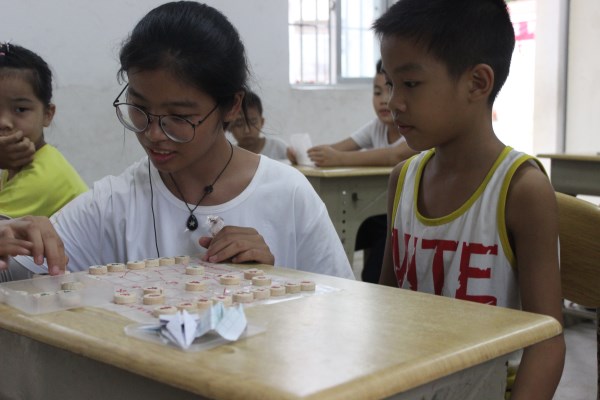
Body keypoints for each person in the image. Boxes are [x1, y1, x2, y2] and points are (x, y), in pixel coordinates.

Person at [9, 2, 353, 281]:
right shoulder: (115, 204)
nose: (154, 134)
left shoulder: (288, 196)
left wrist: (276, 284)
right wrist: (10, 239)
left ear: (232, 106)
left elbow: (340, 317)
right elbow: (14, 278)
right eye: (140, 109)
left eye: (180, 117)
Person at [374, 1, 565, 399]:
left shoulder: (521, 190)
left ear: (477, 83)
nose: (393, 102)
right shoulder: (402, 181)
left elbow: (547, 342)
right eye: (391, 84)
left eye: (410, 84)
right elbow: (386, 307)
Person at [0, 43, 88, 218]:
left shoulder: (41, 177)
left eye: (20, 109)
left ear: (48, 114)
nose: (3, 123)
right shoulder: (12, 162)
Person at [289, 60, 417, 168]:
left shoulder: (417, 129)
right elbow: (336, 149)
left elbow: (395, 156)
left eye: (390, 91)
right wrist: (304, 156)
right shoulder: (376, 127)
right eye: (377, 93)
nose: (384, 100)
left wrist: (339, 159)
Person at [229, 90, 288, 161]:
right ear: (229, 126)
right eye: (239, 124)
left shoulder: (278, 148)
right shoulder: (228, 156)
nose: (247, 130)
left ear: (262, 122)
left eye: (253, 122)